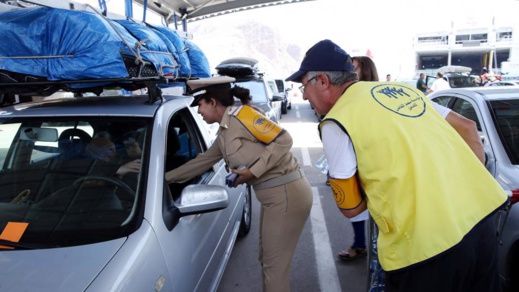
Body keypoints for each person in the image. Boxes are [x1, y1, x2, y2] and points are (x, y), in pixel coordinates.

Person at [286, 39, 508, 292]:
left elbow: (350, 207)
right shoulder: (404, 91)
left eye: (304, 85)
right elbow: (467, 127)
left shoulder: (338, 121)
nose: (303, 94)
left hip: (424, 247)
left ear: (323, 81)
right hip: (481, 223)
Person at [165, 76, 313, 292]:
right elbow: (202, 161)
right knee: (268, 260)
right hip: (275, 197)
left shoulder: (243, 116)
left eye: (200, 105)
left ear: (213, 102)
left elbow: (284, 139)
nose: (198, 111)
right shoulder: (225, 131)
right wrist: (165, 178)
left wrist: (251, 172)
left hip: (287, 194)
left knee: (274, 268)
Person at [336, 55, 379, 261]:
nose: (348, 73)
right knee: (357, 206)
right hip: (356, 162)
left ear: (365, 71)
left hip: (374, 165)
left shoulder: (375, 98)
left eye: (353, 68)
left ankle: (366, 246)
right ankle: (361, 243)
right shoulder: (349, 100)